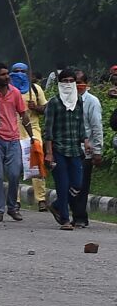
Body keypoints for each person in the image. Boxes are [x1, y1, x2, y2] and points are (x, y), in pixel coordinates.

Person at [0, 62, 35, 222]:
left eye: (7, 73)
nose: (7, 76)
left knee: (15, 174)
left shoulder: (15, 92)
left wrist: (32, 136)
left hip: (14, 139)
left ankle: (12, 207)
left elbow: (23, 115)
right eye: (3, 74)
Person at [44, 70, 90, 230]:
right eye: (65, 80)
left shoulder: (78, 101)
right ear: (60, 83)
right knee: (62, 185)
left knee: (77, 184)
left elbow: (80, 125)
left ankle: (57, 205)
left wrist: (86, 141)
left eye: (72, 81)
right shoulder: (54, 103)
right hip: (58, 149)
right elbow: (48, 130)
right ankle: (64, 219)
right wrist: (49, 153)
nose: (68, 83)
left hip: (75, 149)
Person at [11, 62, 49, 211]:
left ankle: (41, 199)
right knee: (16, 167)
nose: (19, 73)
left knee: (37, 162)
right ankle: (16, 199)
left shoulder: (35, 89)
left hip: (33, 130)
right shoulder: (9, 90)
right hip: (14, 131)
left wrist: (36, 107)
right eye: (16, 71)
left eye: (22, 71)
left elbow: (45, 108)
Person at [69, 70, 103, 228]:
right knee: (71, 183)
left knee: (81, 184)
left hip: (86, 150)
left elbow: (96, 126)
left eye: (79, 82)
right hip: (69, 148)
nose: (77, 86)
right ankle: (76, 214)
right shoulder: (67, 100)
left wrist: (98, 150)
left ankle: (80, 216)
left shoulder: (92, 101)